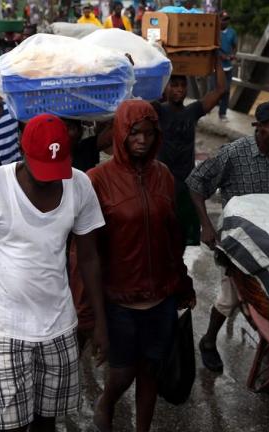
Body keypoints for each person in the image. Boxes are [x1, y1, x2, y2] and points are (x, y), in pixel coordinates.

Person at [0, 114, 109, 432]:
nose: (49, 178)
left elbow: (89, 258)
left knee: (47, 421)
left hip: (60, 325)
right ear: (22, 147)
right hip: (7, 327)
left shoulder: (80, 184)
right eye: (41, 168)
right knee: (13, 425)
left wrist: (100, 323)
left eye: (56, 167)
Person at [84, 100, 196, 432]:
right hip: (119, 299)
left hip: (160, 297)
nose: (142, 141)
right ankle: (107, 401)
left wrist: (183, 284)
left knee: (151, 370)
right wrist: (90, 314)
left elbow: (172, 238)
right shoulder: (97, 180)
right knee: (123, 372)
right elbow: (85, 252)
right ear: (120, 133)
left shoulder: (163, 176)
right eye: (134, 133)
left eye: (149, 133)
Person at [186, 101, 269, 370]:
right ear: (259, 128)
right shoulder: (233, 154)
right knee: (231, 296)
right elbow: (195, 183)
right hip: (241, 241)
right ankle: (209, 341)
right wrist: (207, 226)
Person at [153, 58, 226, 246]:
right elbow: (137, 98)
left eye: (182, 85)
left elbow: (219, 90)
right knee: (159, 238)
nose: (179, 89)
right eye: (174, 85)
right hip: (162, 184)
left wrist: (215, 56)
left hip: (186, 184)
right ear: (165, 87)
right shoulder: (158, 111)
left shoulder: (192, 111)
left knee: (182, 240)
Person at [213, 10, 237, 121]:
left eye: (227, 20)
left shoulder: (232, 32)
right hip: (216, 67)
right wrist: (221, 56)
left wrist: (233, 55)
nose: (226, 22)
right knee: (214, 89)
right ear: (219, 20)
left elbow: (235, 46)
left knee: (226, 90)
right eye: (224, 20)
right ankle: (208, 108)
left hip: (228, 67)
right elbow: (213, 48)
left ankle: (222, 113)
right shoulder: (214, 32)